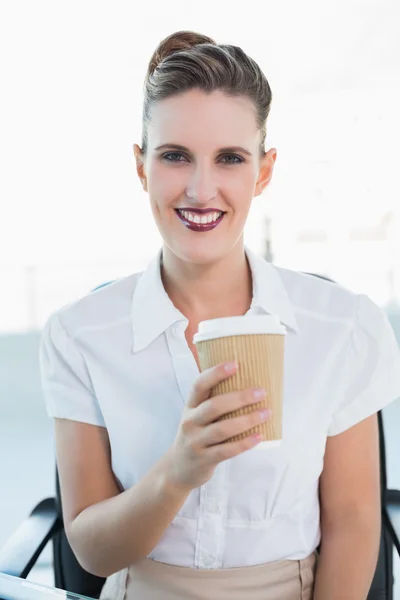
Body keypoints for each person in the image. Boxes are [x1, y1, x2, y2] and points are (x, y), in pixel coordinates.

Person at [39, 30, 400, 600]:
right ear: (141, 167)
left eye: (230, 159)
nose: (201, 190)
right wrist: (177, 471)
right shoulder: (79, 335)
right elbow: (91, 549)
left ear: (263, 170)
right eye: (175, 156)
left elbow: (353, 523)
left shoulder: (343, 329)